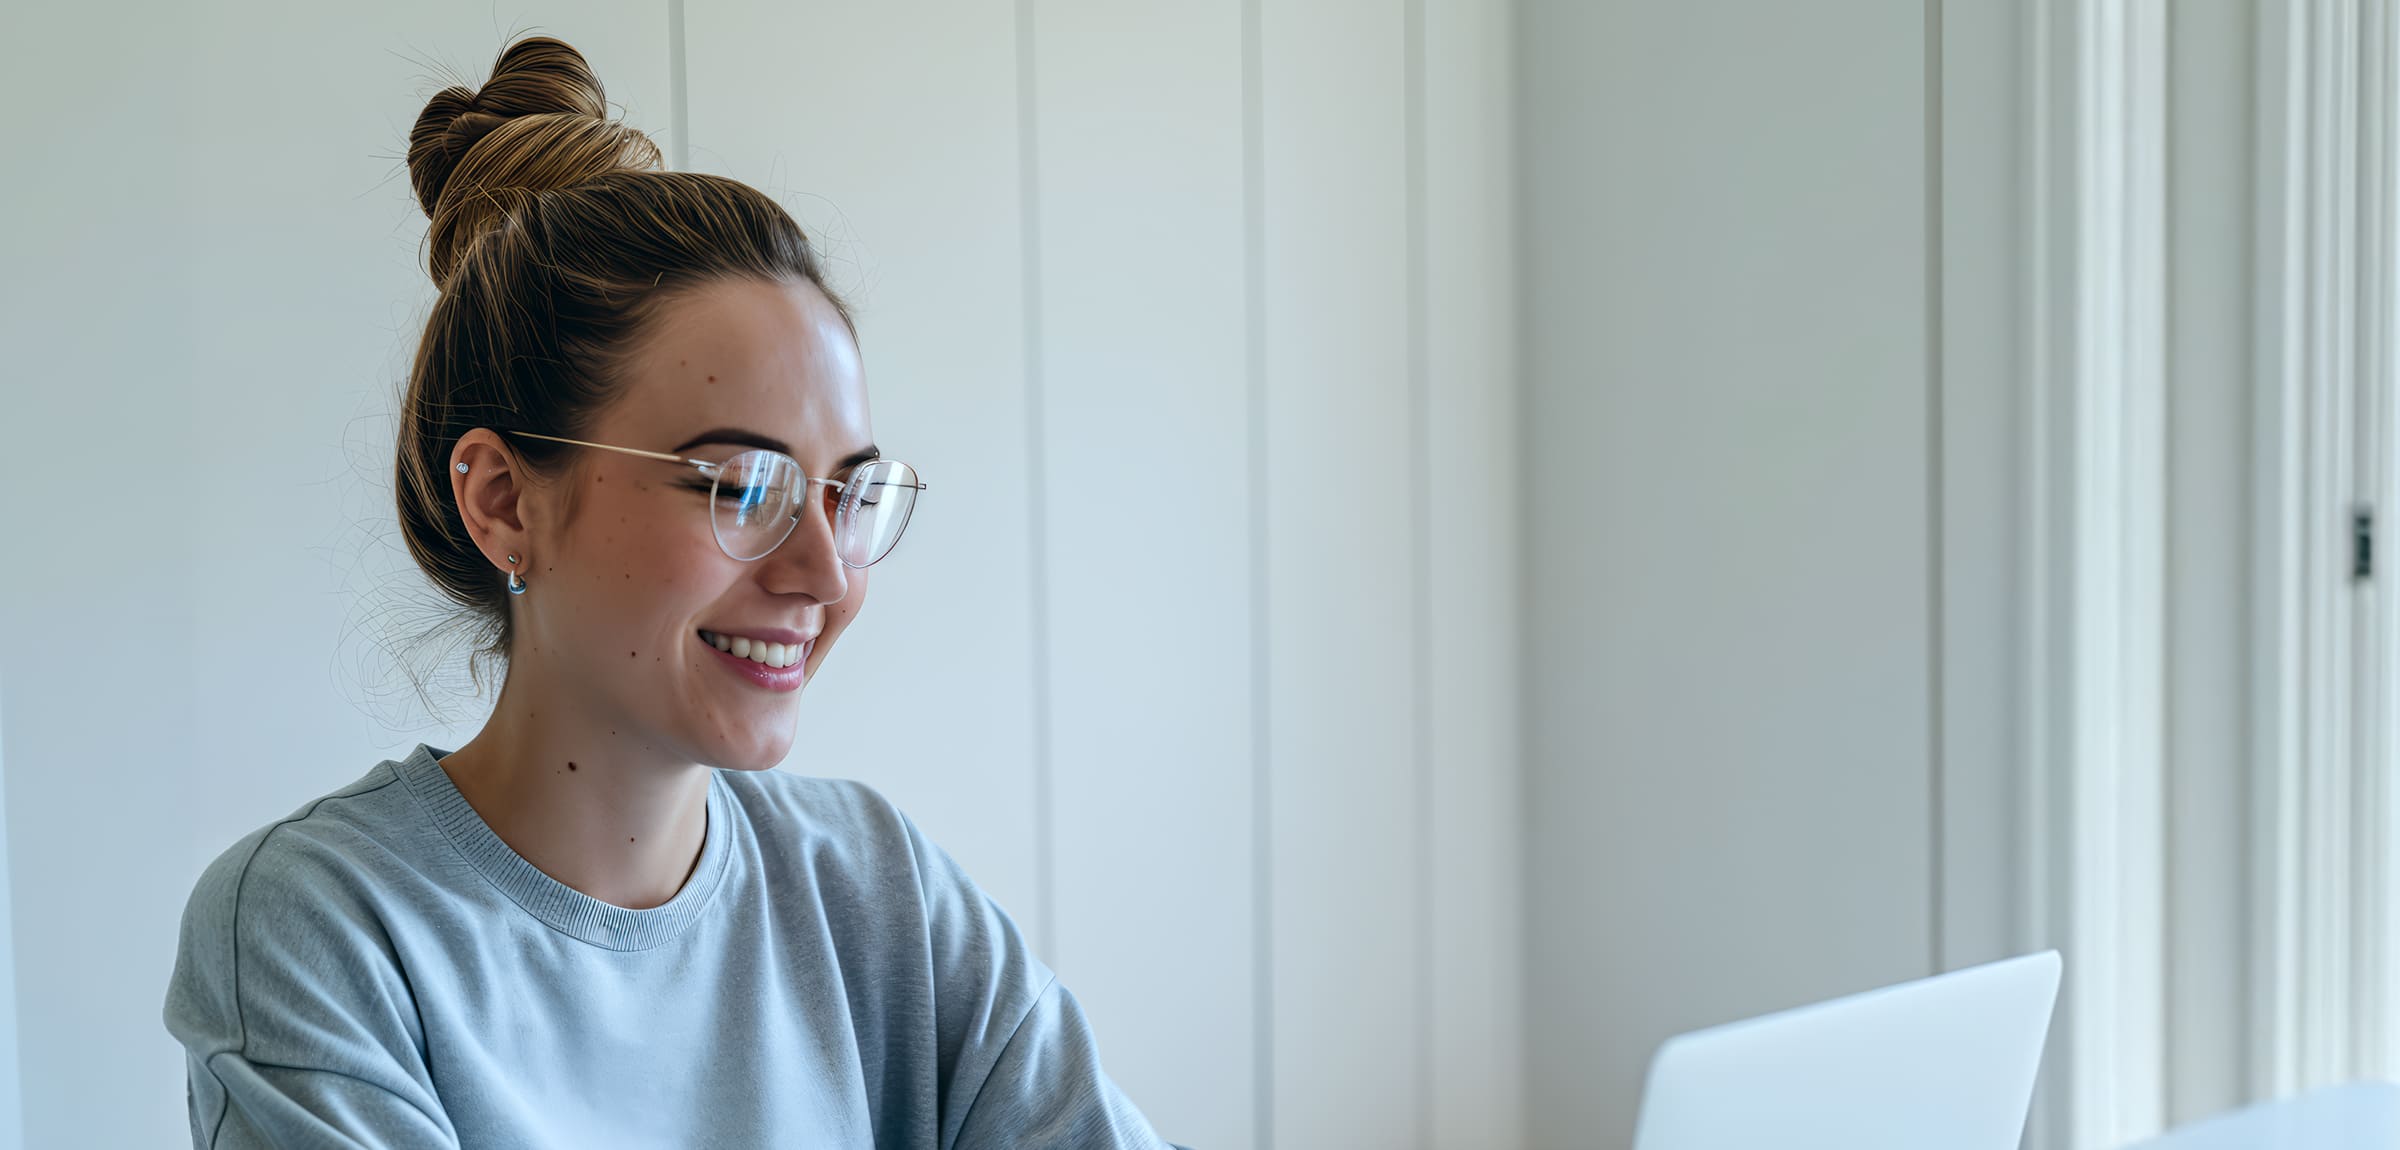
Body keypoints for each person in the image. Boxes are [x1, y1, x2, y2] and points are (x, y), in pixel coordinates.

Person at [161, 34, 1184, 1149]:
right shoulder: (327, 930)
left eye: (849, 494)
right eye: (743, 484)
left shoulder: (879, 891)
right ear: (505, 500)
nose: (826, 574)